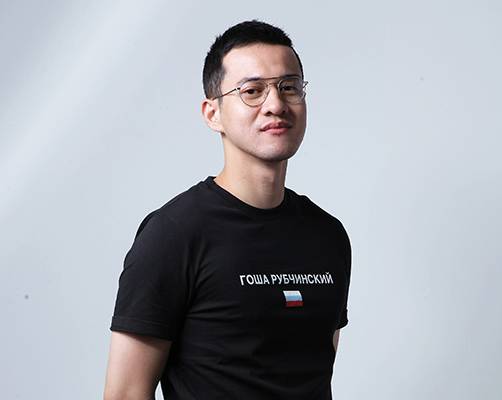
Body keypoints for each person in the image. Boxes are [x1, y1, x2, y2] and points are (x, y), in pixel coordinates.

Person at [104, 20, 352, 400]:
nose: (275, 105)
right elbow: (125, 394)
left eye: (289, 87)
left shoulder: (328, 236)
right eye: (252, 91)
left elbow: (313, 377)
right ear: (212, 114)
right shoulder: (174, 234)